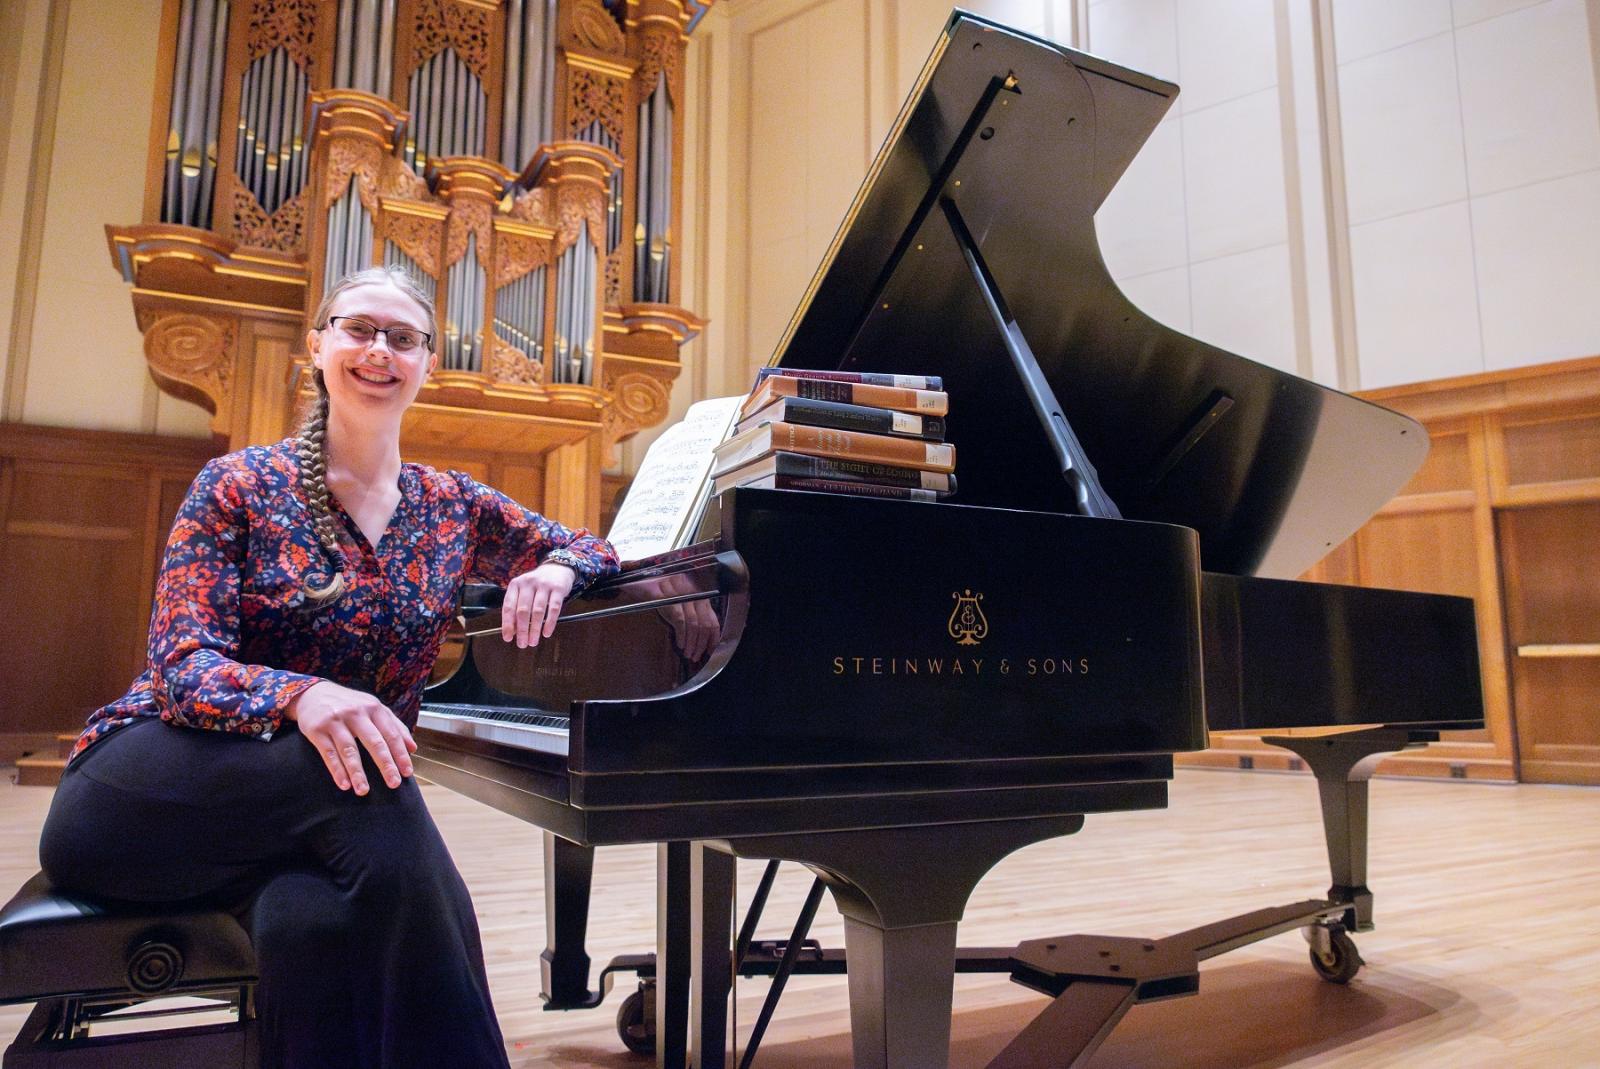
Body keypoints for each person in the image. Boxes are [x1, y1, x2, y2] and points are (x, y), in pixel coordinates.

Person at [37, 266, 619, 1067]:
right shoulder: (238, 484)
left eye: (403, 338)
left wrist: (557, 569)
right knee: (370, 782)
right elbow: (181, 666)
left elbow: (590, 544)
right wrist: (301, 696)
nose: (380, 350)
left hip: (311, 824)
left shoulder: (451, 504)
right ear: (318, 344)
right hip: (141, 794)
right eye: (359, 329)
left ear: (427, 362)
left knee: (310, 921)